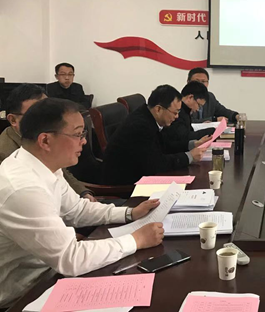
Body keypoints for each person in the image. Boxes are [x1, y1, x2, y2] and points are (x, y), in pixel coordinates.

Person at [0, 98, 164, 308]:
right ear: (45, 141)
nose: (84, 141)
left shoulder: (43, 165)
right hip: (25, 295)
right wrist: (136, 240)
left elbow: (76, 210)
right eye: (78, 134)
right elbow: (70, 258)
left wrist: (129, 213)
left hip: (50, 272)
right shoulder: (22, 189)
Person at [0, 84, 96, 201]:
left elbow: (62, 173)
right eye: (36, 115)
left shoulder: (50, 137)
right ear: (13, 120)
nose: (49, 120)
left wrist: (83, 193)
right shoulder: (5, 153)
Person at [103, 85, 207, 185]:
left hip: (139, 174)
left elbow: (164, 145)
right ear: (158, 109)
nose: (177, 117)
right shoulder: (140, 126)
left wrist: (191, 145)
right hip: (125, 184)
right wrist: (189, 157)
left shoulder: (147, 115)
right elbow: (155, 164)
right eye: (175, 113)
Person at [162, 81, 214, 153]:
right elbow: (184, 137)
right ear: (190, 97)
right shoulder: (179, 112)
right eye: (199, 105)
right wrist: (210, 131)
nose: (198, 109)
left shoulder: (186, 111)